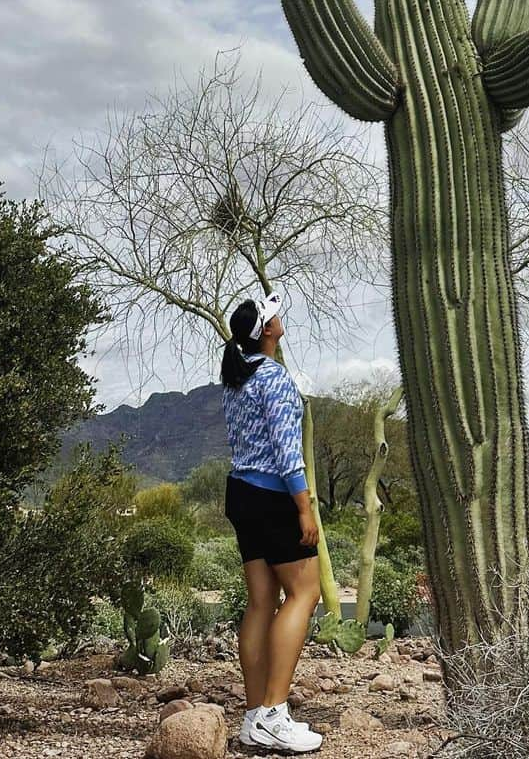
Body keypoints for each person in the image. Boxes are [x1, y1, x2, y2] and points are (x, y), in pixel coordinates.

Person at [221, 291, 323, 753]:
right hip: (272, 494)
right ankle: (274, 713)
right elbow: (287, 450)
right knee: (307, 592)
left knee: (261, 601)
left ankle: (253, 716)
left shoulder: (237, 379)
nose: (280, 317)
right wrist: (303, 507)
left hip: (241, 492)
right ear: (266, 331)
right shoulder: (275, 378)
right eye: (273, 314)